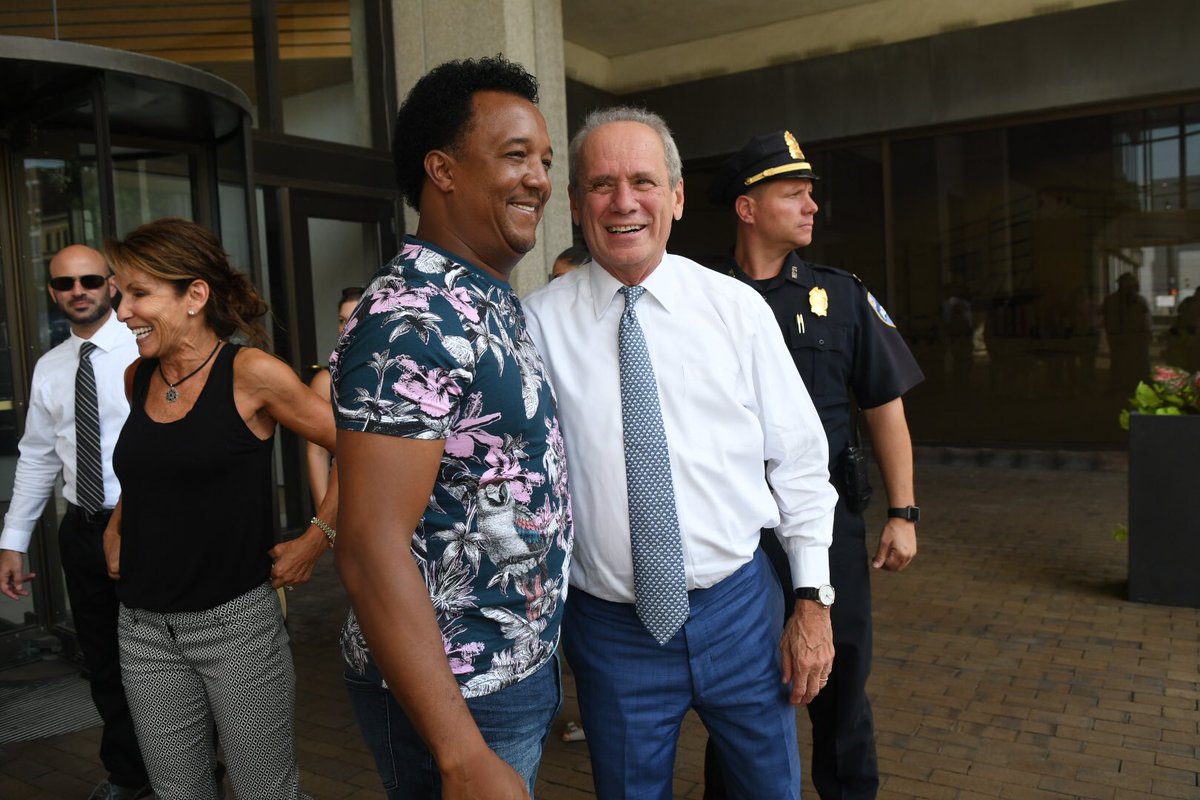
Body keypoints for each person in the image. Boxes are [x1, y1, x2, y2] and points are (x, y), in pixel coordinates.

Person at [523, 107, 838, 800]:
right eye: (601, 185)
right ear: (576, 205)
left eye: (643, 180)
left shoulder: (736, 311)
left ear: (677, 196)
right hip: (611, 633)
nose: (624, 201)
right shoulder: (535, 327)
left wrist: (811, 600)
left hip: (742, 616)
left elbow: (799, 461)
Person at [331, 56, 571, 800]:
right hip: (459, 697)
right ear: (442, 170)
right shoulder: (412, 318)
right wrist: (460, 753)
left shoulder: (488, 297)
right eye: (514, 156)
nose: (538, 178)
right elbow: (370, 550)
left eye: (544, 160)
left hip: (511, 668)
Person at [703, 130, 925, 800]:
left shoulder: (841, 296)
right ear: (748, 207)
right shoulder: (700, 299)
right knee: (737, 690)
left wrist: (903, 513)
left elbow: (886, 409)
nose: (811, 207)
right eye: (793, 194)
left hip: (827, 530)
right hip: (733, 530)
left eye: (811, 194)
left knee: (842, 683)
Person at [102, 217, 338, 800]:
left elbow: (355, 448)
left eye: (138, 293)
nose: (122, 311)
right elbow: (156, 467)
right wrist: (117, 524)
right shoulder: (139, 376)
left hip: (234, 625)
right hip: (142, 630)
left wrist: (318, 536)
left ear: (195, 296)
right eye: (120, 294)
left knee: (265, 792)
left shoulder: (252, 373)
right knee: (179, 793)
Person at [0, 245, 149, 800]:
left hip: (145, 525)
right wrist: (13, 542)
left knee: (166, 661)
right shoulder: (51, 366)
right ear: (53, 293)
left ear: (112, 285)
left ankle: (189, 775)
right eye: (65, 283)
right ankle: (128, 777)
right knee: (103, 663)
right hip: (81, 528)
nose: (78, 290)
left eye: (90, 279)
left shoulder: (145, 348)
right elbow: (38, 455)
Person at [306, 286, 363, 505]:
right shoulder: (325, 380)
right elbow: (317, 453)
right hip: (341, 498)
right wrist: (323, 523)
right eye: (341, 320)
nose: (345, 327)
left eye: (354, 318)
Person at [1102, 272, 1152, 392]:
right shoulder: (1110, 300)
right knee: (1119, 363)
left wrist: (1146, 334)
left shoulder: (1140, 301)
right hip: (1119, 336)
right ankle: (1119, 386)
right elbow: (1106, 318)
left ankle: (1137, 386)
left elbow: (1146, 319)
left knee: (1138, 363)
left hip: (1136, 336)